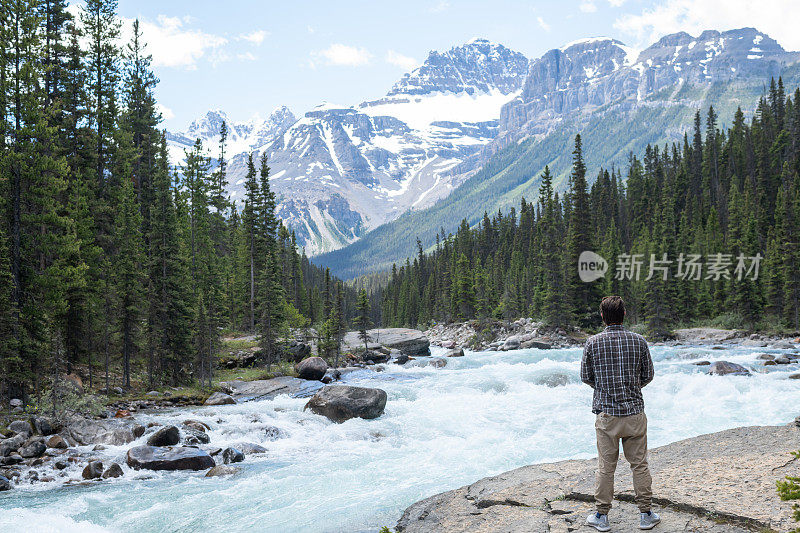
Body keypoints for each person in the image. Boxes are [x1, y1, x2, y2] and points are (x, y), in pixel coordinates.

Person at [580, 296, 659, 531]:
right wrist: (631, 387)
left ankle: (601, 517)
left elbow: (586, 377)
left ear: (603, 317)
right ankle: (646, 514)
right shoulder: (639, 341)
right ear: (624, 314)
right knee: (640, 465)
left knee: (606, 466)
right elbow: (648, 375)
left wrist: (605, 389)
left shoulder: (592, 343)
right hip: (634, 413)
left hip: (607, 416)